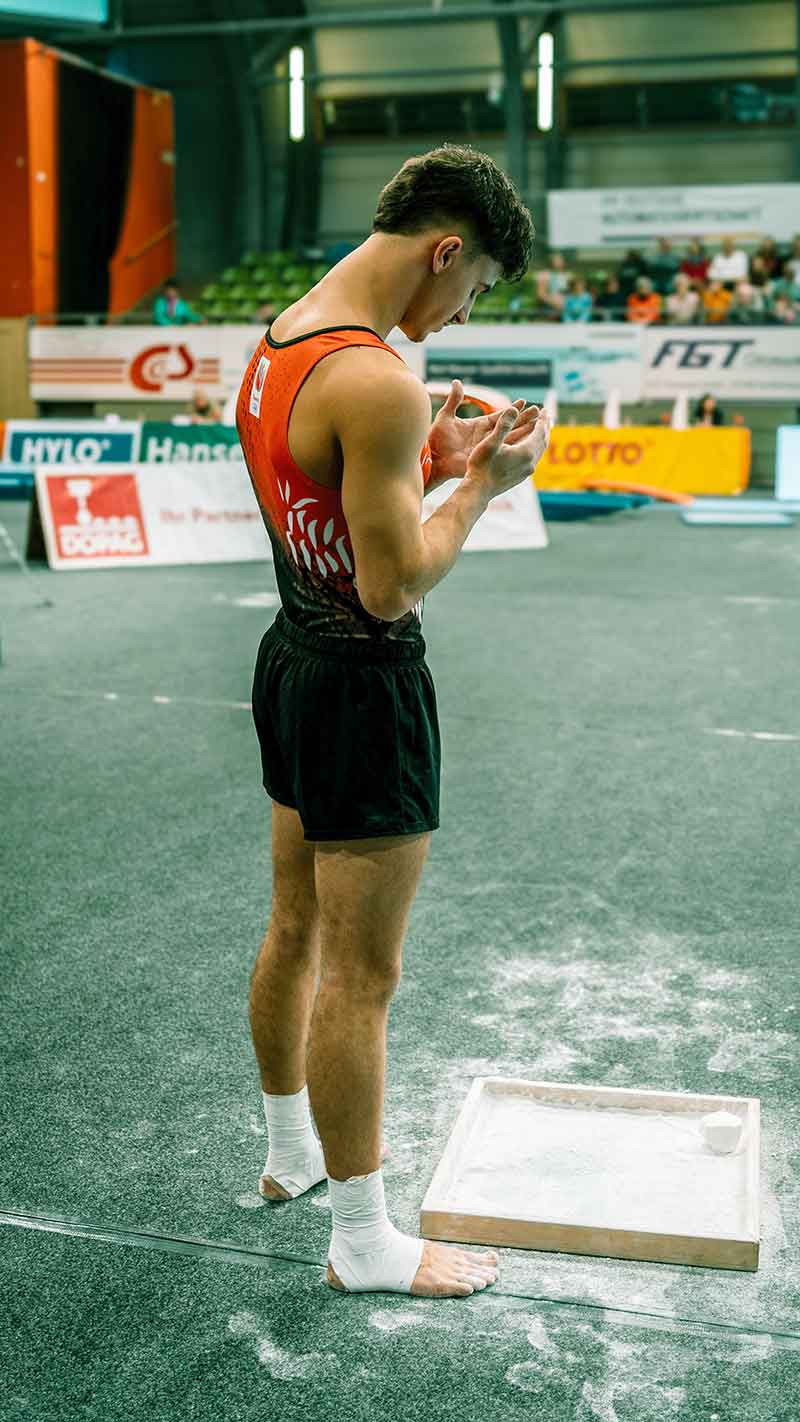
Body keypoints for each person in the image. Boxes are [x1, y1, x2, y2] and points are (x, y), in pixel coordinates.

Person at [235, 145, 550, 1301]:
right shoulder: (374, 377)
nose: (450, 318)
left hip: (291, 661)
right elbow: (389, 583)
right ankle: (365, 1246)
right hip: (364, 683)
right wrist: (477, 488)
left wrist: (425, 457)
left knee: (292, 931)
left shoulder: (285, 336)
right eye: (465, 294)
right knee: (362, 976)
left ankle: (288, 1161)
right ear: (445, 249)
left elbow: (319, 489)